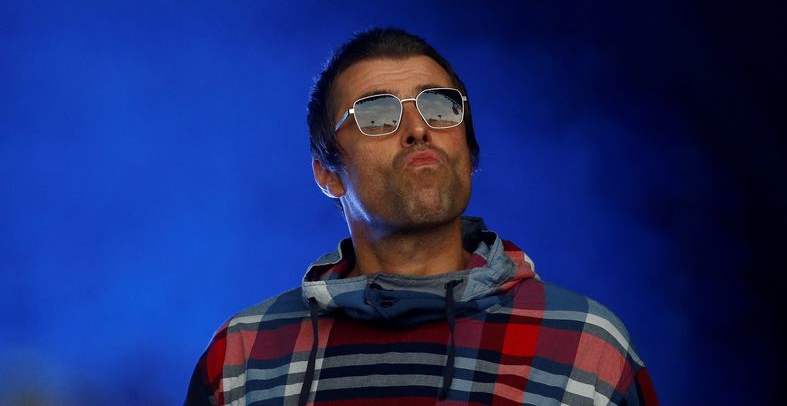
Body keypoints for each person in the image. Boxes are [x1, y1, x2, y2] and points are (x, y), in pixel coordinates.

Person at [184, 28, 659, 406]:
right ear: (328, 175)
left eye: (439, 106)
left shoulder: (586, 346)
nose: (417, 129)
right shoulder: (243, 360)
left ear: (469, 153)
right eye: (376, 116)